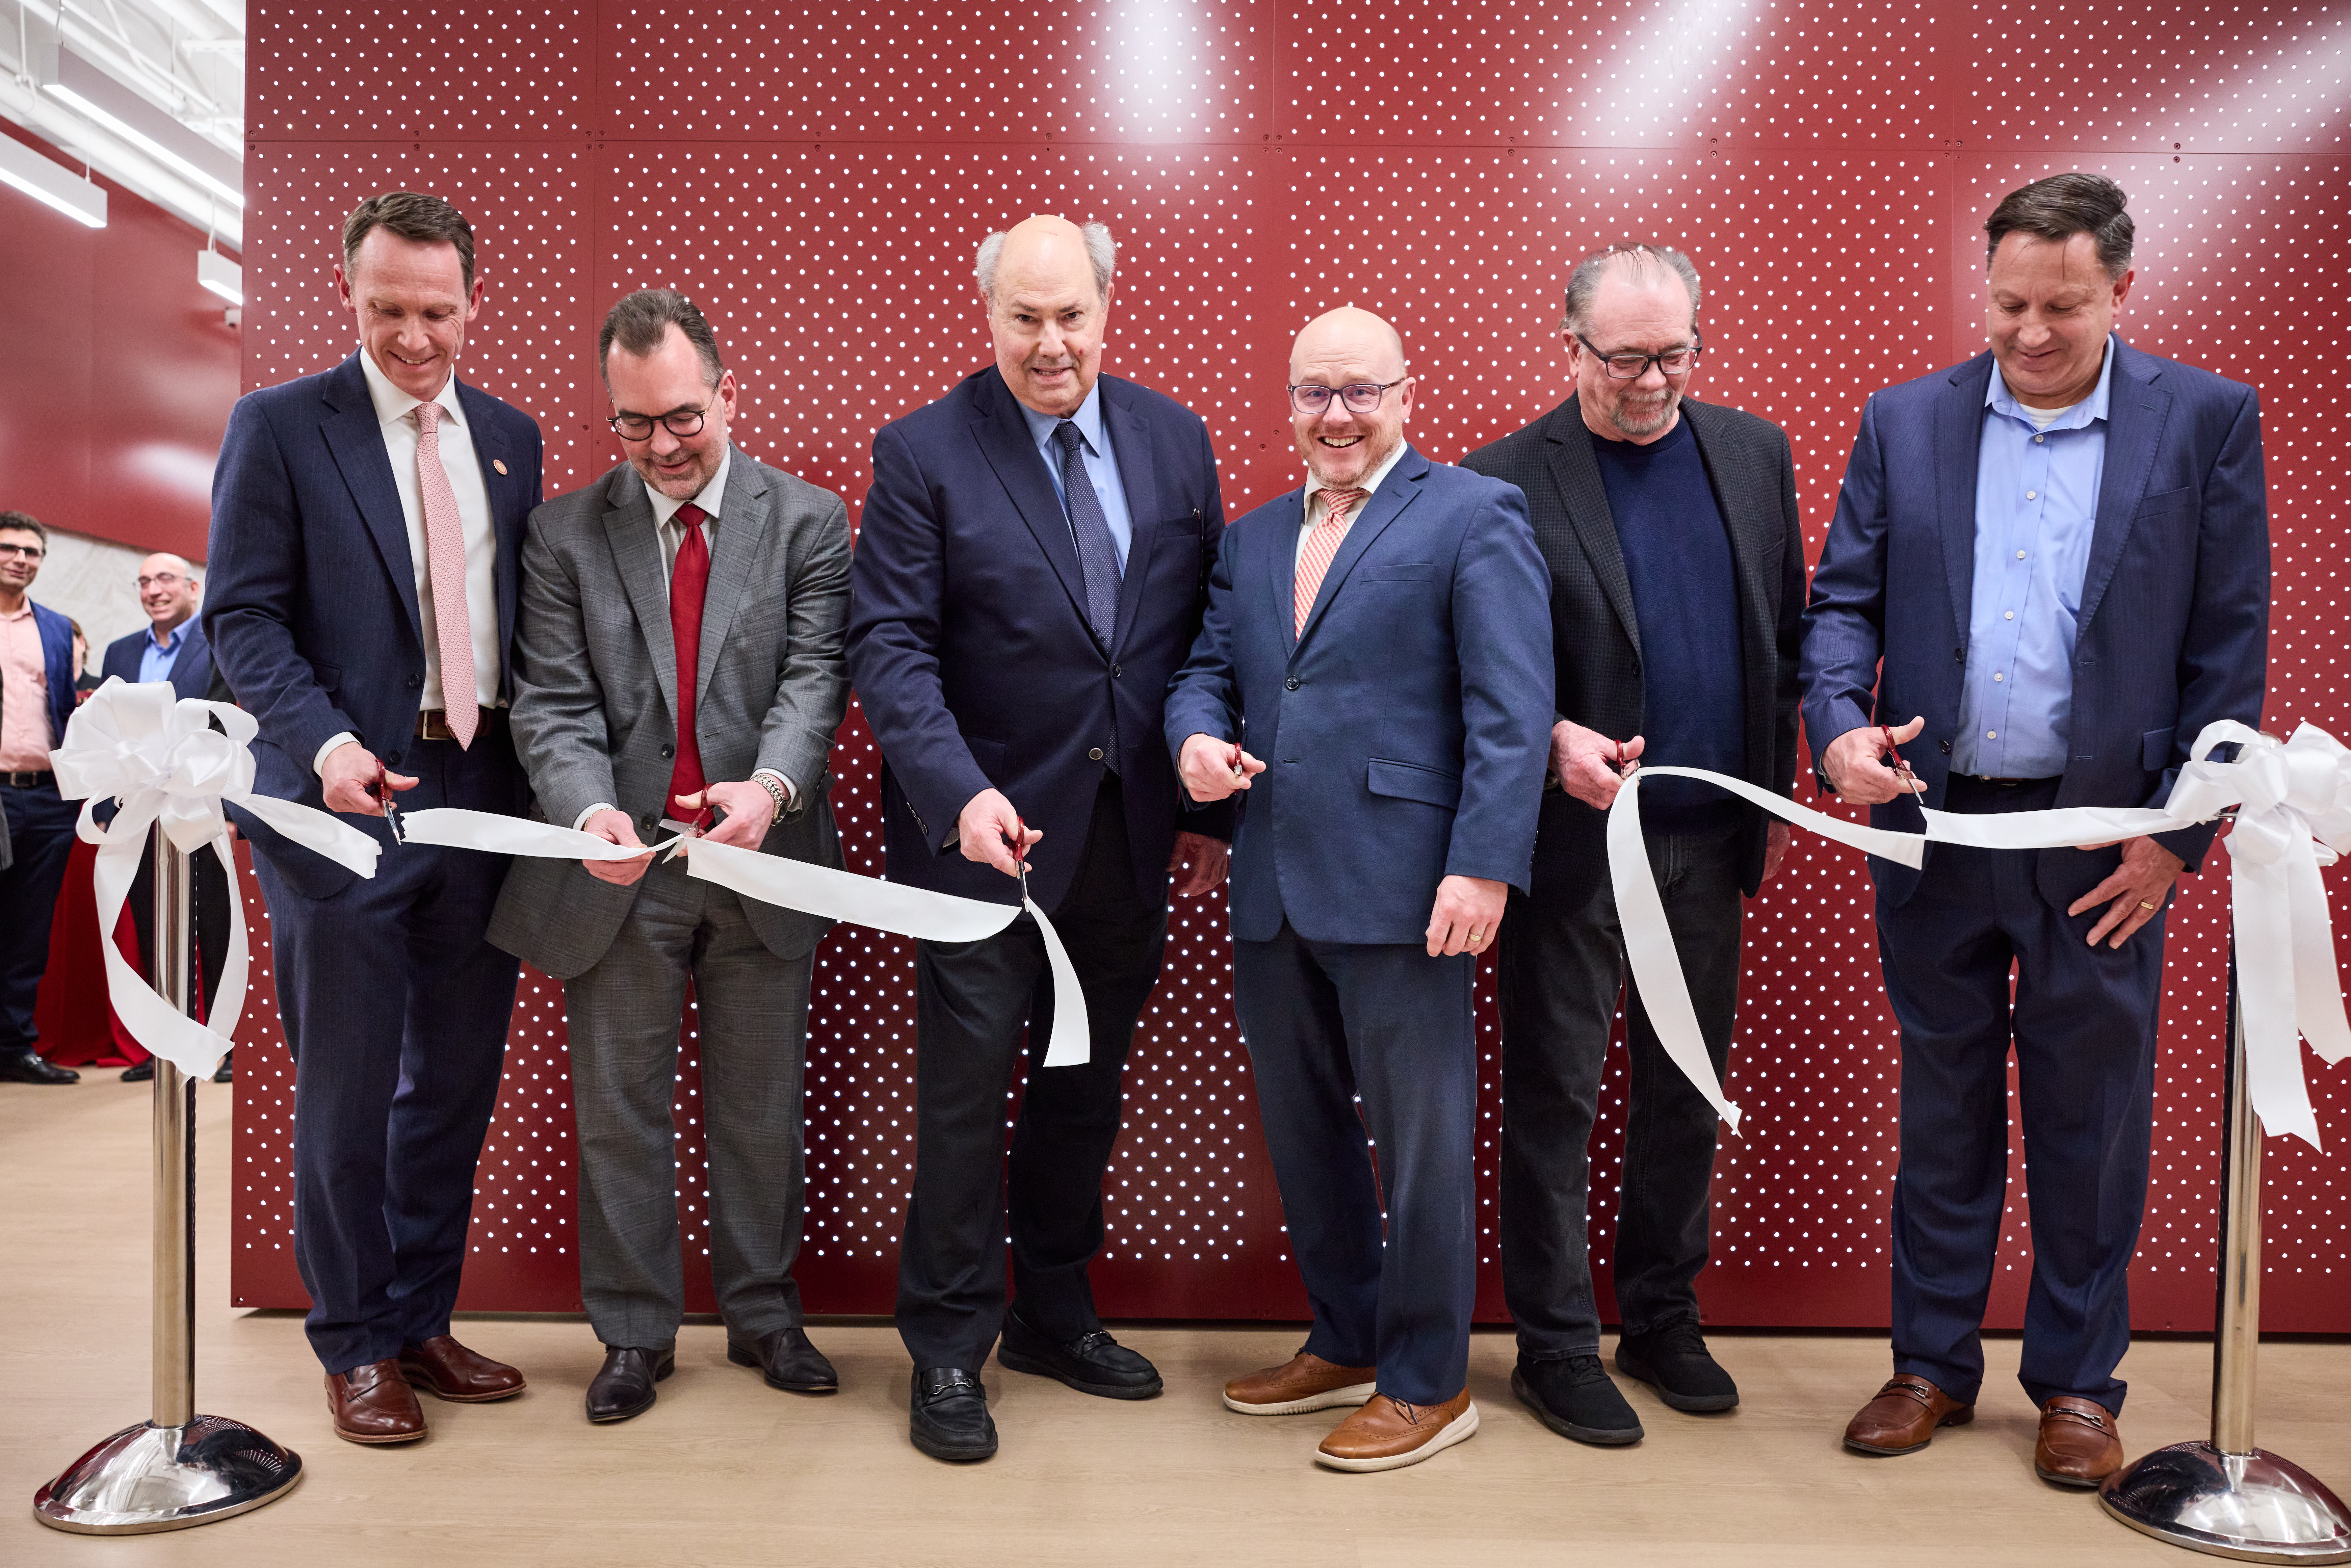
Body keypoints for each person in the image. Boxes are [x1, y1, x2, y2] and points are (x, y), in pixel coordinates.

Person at [1802, 174, 2268, 1487]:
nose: (2030, 332)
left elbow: (2227, 652)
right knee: (1942, 1112)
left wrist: (2178, 840)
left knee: (2089, 1120)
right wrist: (1839, 729)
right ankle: (1928, 1365)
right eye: (2008, 303)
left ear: (2120, 290)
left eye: (2061, 306)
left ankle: (2075, 1384)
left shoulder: (2203, 425)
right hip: (1938, 833)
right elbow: (1840, 606)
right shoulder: (1907, 421)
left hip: (2104, 846)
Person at [847, 215, 1231, 1464]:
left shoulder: (1176, 440)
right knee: (962, 1106)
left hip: (1128, 841)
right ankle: (950, 1347)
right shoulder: (922, 451)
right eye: (1025, 316)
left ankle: (1056, 1310)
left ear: (1109, 307)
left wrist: (1199, 814)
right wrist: (956, 792)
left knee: (1084, 1089)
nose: (1050, 341)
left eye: (1071, 314)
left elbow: (1198, 643)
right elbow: (890, 649)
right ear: (989, 315)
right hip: (981, 847)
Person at [1166, 307, 1552, 1472]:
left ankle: (1430, 1380)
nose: (1336, 415)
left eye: (1359, 391)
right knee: (1306, 1131)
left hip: (1408, 888)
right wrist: (1193, 746)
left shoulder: (1473, 512)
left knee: (1422, 1141)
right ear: (1288, 406)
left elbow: (1510, 705)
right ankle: (1344, 1333)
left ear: (1405, 394)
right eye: (1314, 393)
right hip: (1273, 879)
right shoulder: (1250, 537)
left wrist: (1484, 861)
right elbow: (1203, 670)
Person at [204, 190, 543, 1445]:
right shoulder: (281, 427)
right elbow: (241, 618)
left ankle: (418, 1317)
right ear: (349, 296)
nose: (414, 335)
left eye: (437, 311)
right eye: (387, 309)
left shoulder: (510, 437)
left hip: (480, 799)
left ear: (471, 303)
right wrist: (329, 743)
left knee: (453, 1085)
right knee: (347, 1092)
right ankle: (351, 1344)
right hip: (338, 809)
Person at [1458, 244, 1805, 1445]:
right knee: (1554, 1096)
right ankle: (1553, 1344)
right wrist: (1553, 733)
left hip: (1710, 842)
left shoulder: (1755, 456)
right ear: (1570, 348)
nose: (1652, 380)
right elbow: (1475, 669)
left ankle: (1661, 1315)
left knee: (1683, 1092)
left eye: (1673, 354)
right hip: (1572, 849)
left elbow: (1788, 626)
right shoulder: (1501, 479)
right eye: (1623, 359)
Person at [491, 289, 852, 1425]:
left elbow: (813, 681)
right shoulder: (560, 533)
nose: (662, 445)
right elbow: (550, 703)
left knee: (759, 1108)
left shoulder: (810, 522)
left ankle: (763, 1313)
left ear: (728, 395)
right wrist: (587, 811)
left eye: (684, 417)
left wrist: (773, 787)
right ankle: (635, 1334)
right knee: (619, 1110)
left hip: (763, 860)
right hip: (618, 870)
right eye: (635, 424)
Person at [101, 553, 235, 1085]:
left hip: (201, 810)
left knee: (214, 925)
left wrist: (227, 812)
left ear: (193, 587)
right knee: (153, 926)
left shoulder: (219, 643)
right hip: (138, 813)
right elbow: (110, 733)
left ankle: (224, 1047)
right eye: (144, 582)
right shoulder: (122, 651)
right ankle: (167, 1045)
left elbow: (225, 729)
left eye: (165, 580)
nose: (154, 590)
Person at [0, 511, 82, 1084]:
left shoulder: (56, 627)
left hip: (48, 799)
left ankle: (14, 1048)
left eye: (31, 552)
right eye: (9, 548)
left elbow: (68, 710)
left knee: (29, 932)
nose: (20, 559)